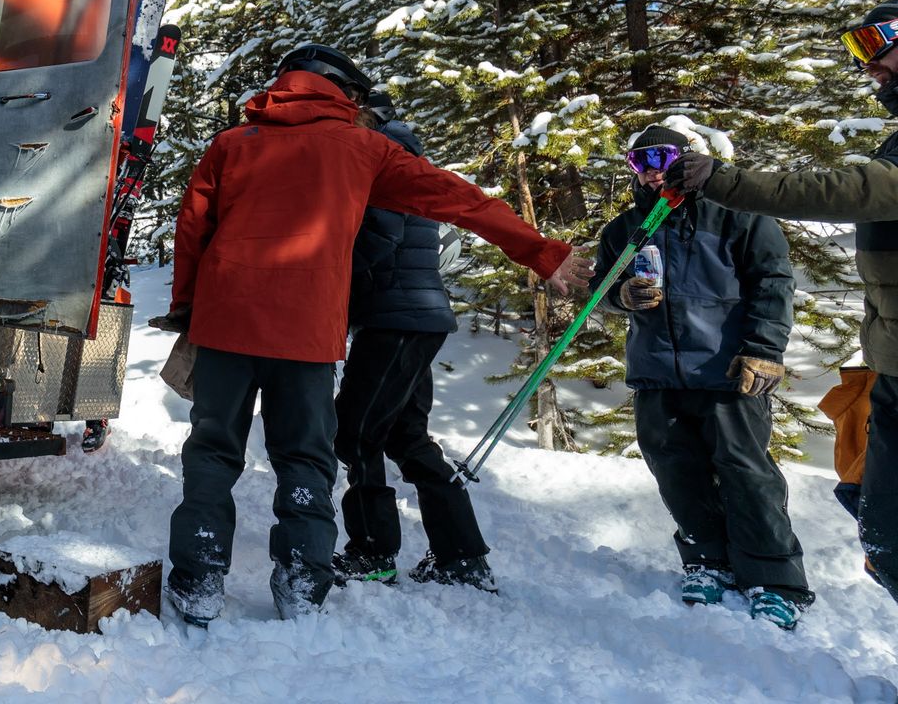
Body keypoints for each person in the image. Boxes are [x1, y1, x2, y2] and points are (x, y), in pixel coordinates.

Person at [165, 44, 593, 625]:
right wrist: (541, 253)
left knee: (213, 453)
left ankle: (199, 580)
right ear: (342, 93)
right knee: (305, 458)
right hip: (305, 331)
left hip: (225, 323)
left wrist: (188, 307)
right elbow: (458, 200)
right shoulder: (365, 149)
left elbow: (193, 229)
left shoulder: (232, 145)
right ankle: (300, 582)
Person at [667, 0, 898, 607]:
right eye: (858, 53)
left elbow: (847, 198)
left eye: (876, 46)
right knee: (881, 526)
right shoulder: (640, 223)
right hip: (890, 364)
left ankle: (777, 581)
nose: (869, 69)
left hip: (738, 373)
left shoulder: (735, 217)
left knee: (879, 526)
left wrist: (725, 181)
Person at [598, 124, 808, 629]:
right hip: (656, 372)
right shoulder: (626, 228)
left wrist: (763, 349)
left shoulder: (738, 214)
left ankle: (775, 578)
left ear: (683, 160)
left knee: (745, 471)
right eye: (638, 163)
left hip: (728, 369)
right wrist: (621, 296)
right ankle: (707, 561)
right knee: (676, 469)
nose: (650, 173)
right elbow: (604, 288)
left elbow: (772, 282)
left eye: (660, 159)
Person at [332, 92, 495, 592]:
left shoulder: (385, 162)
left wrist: (329, 281)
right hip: (413, 319)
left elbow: (378, 240)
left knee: (355, 434)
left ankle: (372, 553)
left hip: (395, 320)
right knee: (405, 436)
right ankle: (462, 555)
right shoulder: (405, 159)